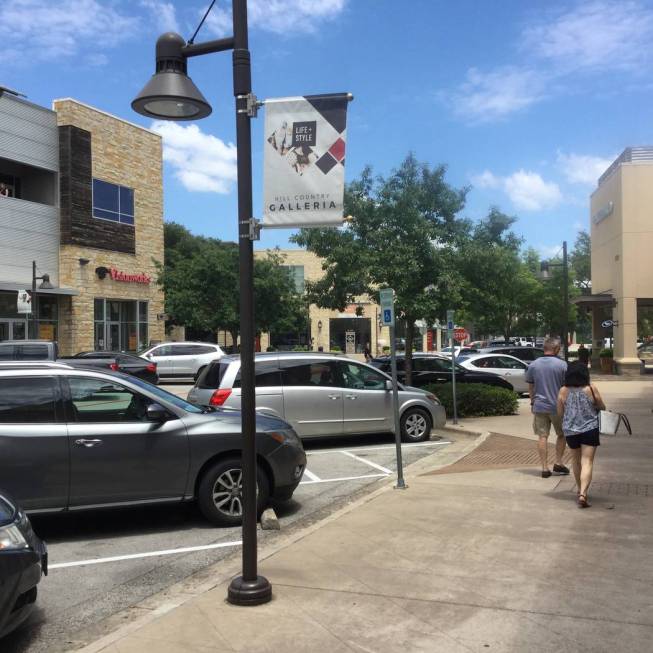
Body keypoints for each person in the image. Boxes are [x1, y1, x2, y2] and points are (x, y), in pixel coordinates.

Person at [557, 361, 606, 508]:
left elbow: (560, 413)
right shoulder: (591, 388)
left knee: (575, 460)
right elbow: (602, 406)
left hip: (571, 431)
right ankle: (584, 493)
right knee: (587, 461)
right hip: (590, 429)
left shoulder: (563, 390)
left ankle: (579, 489)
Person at [525, 336, 569, 478]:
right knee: (562, 435)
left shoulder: (533, 365)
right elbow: (566, 388)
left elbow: (531, 387)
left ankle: (544, 468)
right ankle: (558, 462)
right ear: (556, 349)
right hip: (558, 407)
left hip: (539, 406)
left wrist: (532, 403)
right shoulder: (563, 365)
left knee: (542, 436)